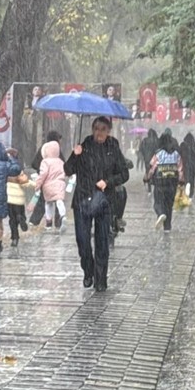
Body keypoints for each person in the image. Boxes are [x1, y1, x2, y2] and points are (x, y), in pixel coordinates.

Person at [64, 117, 130, 291]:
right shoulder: (84, 146)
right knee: (83, 241)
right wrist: (74, 154)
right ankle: (88, 270)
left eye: (103, 129)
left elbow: (124, 174)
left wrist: (107, 182)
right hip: (82, 201)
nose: (99, 133)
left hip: (104, 201)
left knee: (102, 241)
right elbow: (68, 170)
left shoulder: (113, 147)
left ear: (108, 131)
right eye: (96, 129)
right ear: (92, 130)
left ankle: (101, 280)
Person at [146, 132, 184, 231]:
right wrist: (181, 181)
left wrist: (147, 177)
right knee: (169, 205)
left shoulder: (158, 153)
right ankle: (167, 227)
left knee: (158, 202)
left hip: (160, 183)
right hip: (172, 184)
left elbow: (152, 168)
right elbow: (180, 169)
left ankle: (160, 213)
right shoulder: (176, 154)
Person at [32, 137, 67, 232]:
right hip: (60, 184)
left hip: (48, 186)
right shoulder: (60, 161)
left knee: (48, 203)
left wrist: (38, 185)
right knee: (59, 201)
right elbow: (65, 171)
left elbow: (43, 174)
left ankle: (48, 223)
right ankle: (63, 215)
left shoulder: (45, 162)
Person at [29, 130, 61, 226]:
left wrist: (42, 171)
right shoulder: (56, 150)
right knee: (58, 200)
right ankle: (58, 223)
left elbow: (34, 164)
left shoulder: (42, 149)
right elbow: (63, 164)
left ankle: (33, 222)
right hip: (55, 180)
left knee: (43, 200)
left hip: (45, 181)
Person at [4, 148, 31, 247]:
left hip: (9, 197)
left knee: (12, 219)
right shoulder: (18, 167)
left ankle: (14, 238)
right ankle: (21, 217)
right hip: (19, 197)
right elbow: (25, 183)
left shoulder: (5, 167)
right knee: (20, 213)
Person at [179, 132, 195, 196]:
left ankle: (186, 190)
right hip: (194, 165)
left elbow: (178, 153)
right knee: (192, 178)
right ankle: (191, 193)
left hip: (185, 165)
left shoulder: (183, 145)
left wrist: (180, 160)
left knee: (186, 178)